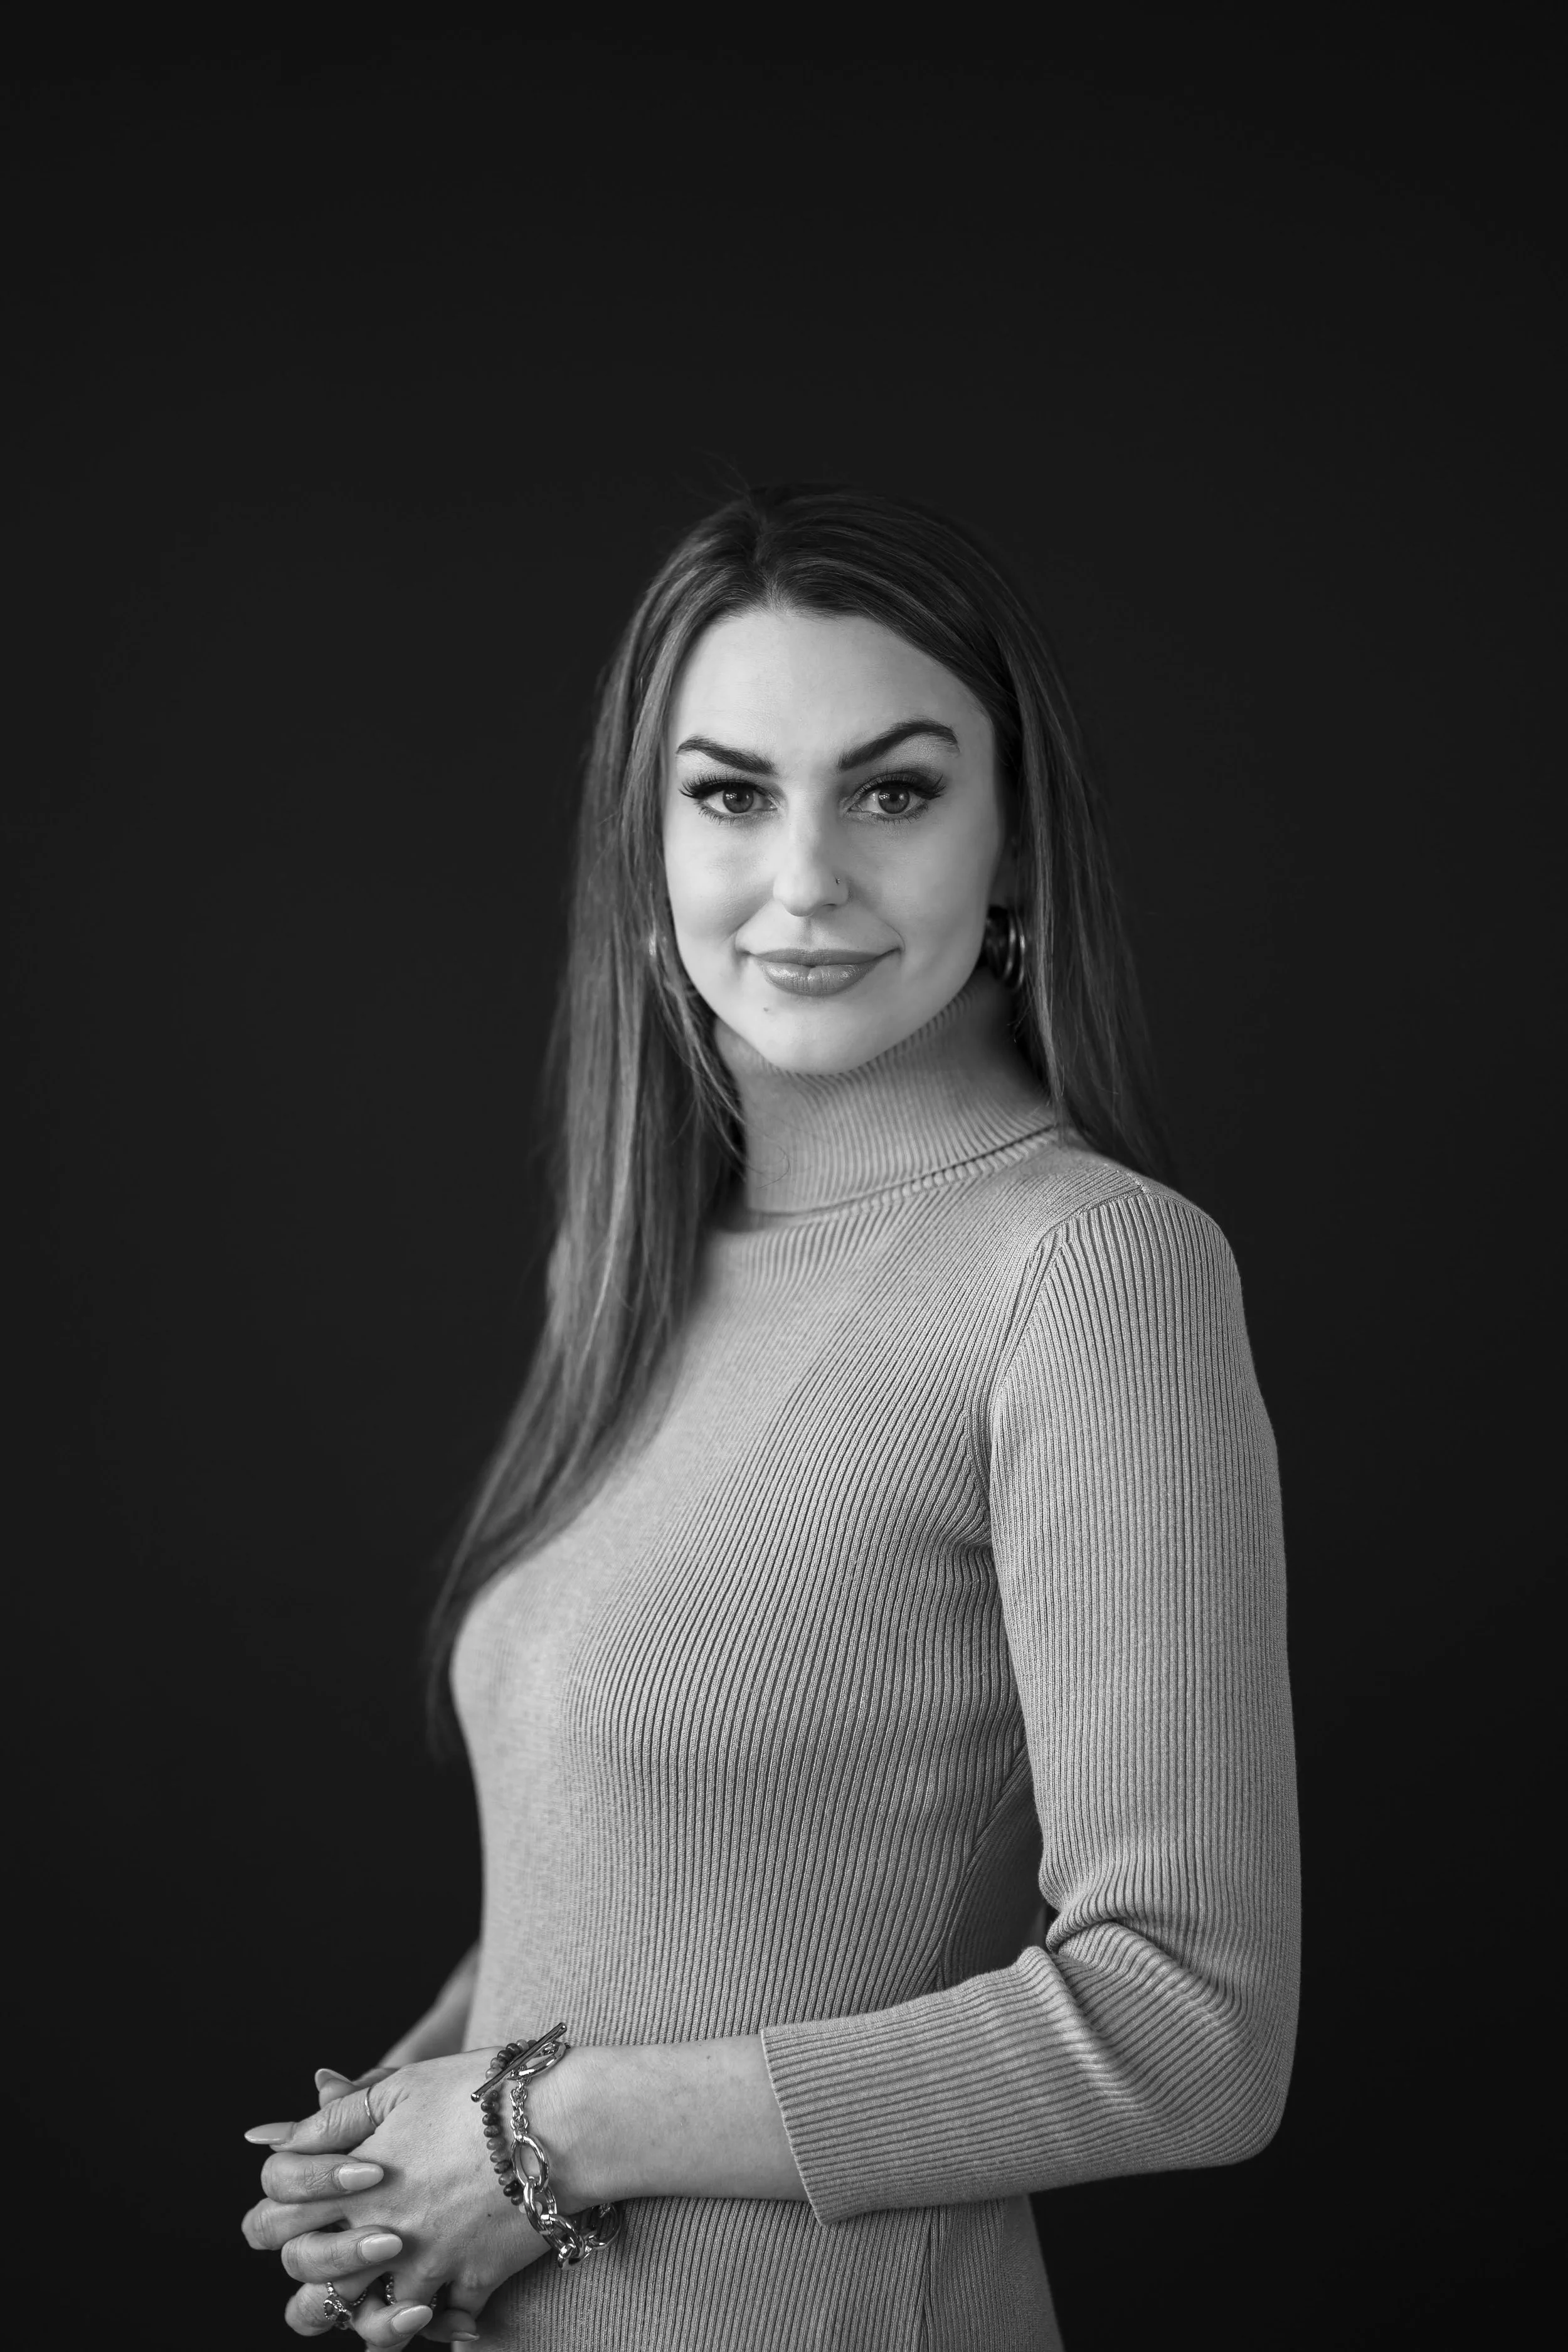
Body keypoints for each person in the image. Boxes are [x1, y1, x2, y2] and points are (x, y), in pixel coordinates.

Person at [241, 483, 1301, 2350]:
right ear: (644, 843)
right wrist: (396, 2149)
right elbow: (660, 1871)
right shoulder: (642, 1266)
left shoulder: (1084, 1270)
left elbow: (1190, 2027)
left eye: (893, 792)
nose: (804, 877)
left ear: (1013, 842)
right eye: (730, 794)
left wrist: (538, 2129)